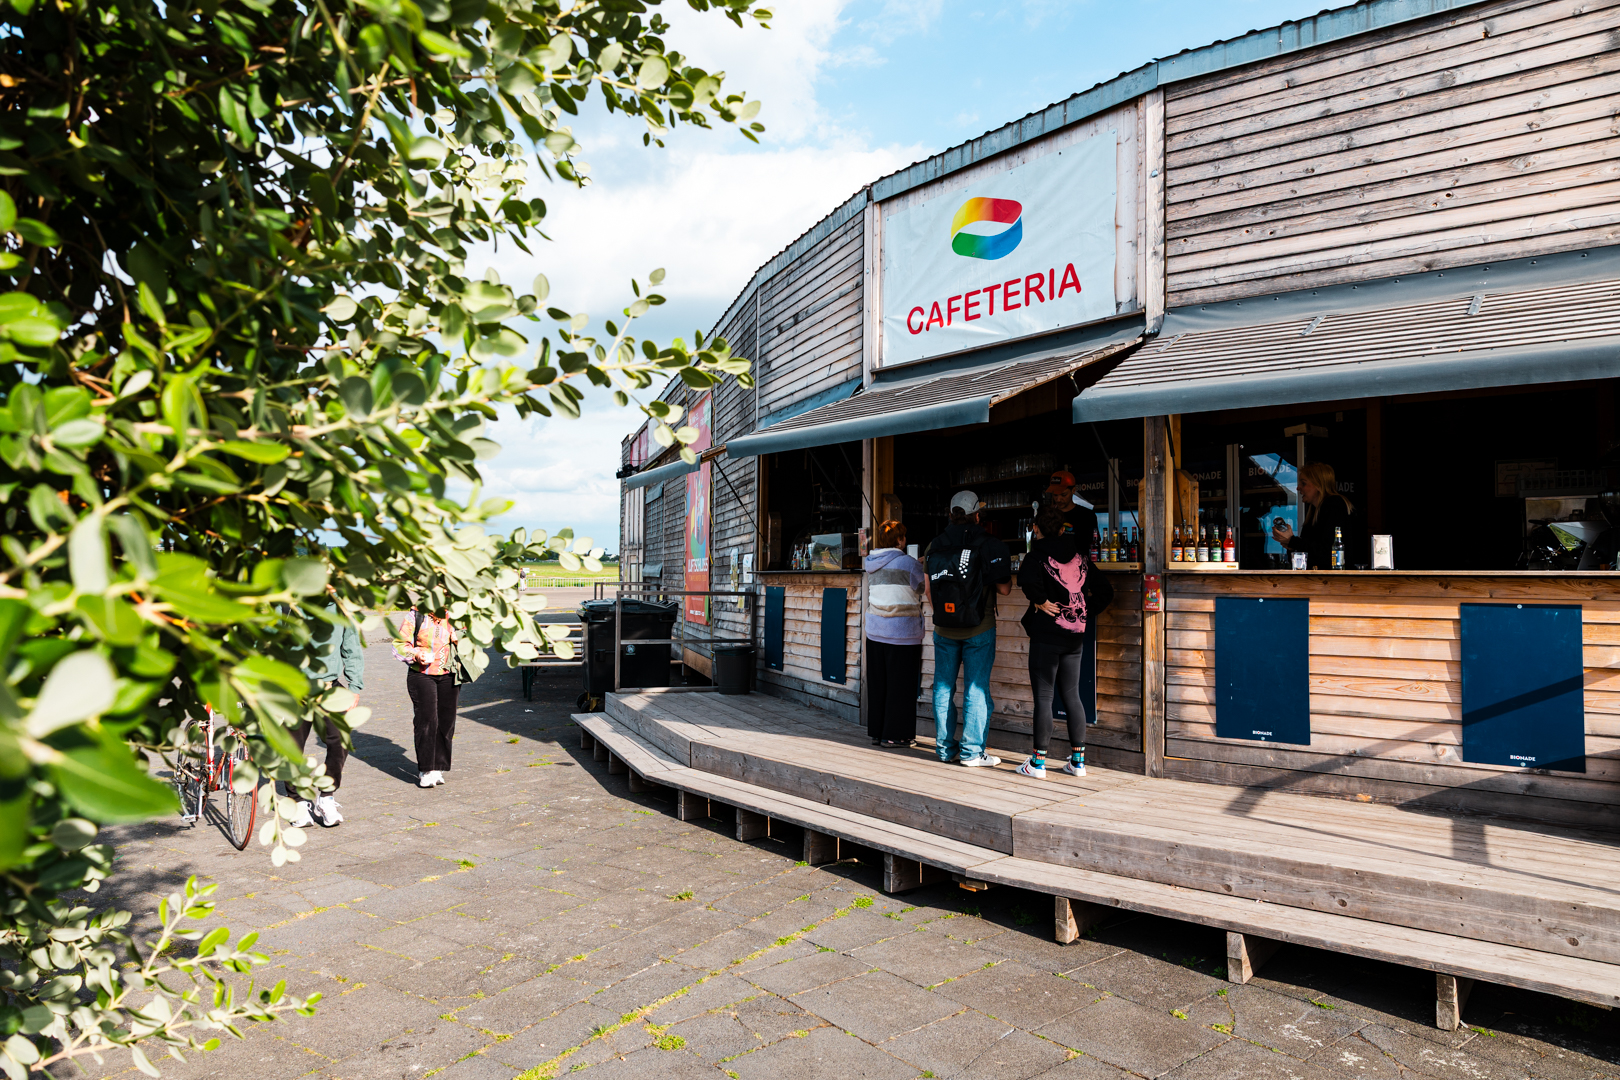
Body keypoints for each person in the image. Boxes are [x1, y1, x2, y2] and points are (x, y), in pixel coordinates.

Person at [925, 491, 1012, 768]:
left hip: (944, 628)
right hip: (979, 628)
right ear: (977, 514)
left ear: (950, 513)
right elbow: (1005, 589)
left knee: (942, 687)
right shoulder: (989, 544)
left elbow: (929, 591)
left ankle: (944, 749)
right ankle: (972, 753)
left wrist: (946, 615)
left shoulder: (934, 545)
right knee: (975, 688)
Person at [1014, 507, 1090, 779]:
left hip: (1047, 635)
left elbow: (1024, 580)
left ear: (1037, 529)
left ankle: (1037, 764)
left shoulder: (1036, 555)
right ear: (1062, 528)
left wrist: (1038, 599)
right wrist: (1084, 612)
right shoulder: (1080, 555)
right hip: (1075, 634)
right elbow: (1104, 590)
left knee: (1044, 697)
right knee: (1072, 695)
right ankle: (1078, 763)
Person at [289, 607, 365, 827]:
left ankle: (326, 797)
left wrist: (354, 686)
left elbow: (351, 646)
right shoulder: (286, 602)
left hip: (329, 686)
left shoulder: (339, 606)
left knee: (340, 740)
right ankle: (297, 801)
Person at [864, 519, 926, 748]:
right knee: (901, 685)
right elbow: (922, 587)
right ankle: (896, 735)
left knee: (879, 684)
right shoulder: (908, 563)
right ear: (899, 540)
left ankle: (878, 733)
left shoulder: (871, 563)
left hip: (876, 631)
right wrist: (920, 565)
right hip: (902, 632)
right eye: (904, 536)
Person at [393, 607, 459, 788]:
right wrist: (416, 654)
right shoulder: (416, 615)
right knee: (427, 719)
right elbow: (399, 644)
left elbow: (476, 640)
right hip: (421, 674)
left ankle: (438, 767)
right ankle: (426, 769)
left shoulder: (458, 613)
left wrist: (462, 640)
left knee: (446, 720)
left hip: (450, 673)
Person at [1271, 462, 1355, 570]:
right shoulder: (1314, 510)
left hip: (1333, 581)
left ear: (1319, 485)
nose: (1298, 488)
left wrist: (1292, 541)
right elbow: (1311, 553)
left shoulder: (1334, 506)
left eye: (1304, 483)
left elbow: (1327, 552)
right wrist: (1291, 544)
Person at [1043, 469, 1099, 548]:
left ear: (1073, 490)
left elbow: (1094, 544)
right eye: (1055, 495)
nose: (1058, 499)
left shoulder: (1087, 515)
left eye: (1063, 495)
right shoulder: (1048, 516)